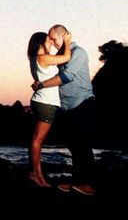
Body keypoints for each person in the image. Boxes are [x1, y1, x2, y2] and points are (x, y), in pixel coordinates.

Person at [32, 24, 96, 195]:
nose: (52, 42)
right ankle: (78, 182)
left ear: (64, 35)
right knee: (74, 145)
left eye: (53, 38)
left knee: (82, 145)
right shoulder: (62, 56)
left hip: (81, 103)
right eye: (49, 39)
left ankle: (88, 184)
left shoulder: (78, 52)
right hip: (67, 107)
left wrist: (42, 85)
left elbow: (67, 77)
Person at [26, 30, 72, 187]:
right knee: (37, 140)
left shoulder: (36, 58)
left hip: (43, 102)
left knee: (37, 140)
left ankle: (37, 175)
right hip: (45, 104)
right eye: (48, 41)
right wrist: (67, 40)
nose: (51, 43)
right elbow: (66, 57)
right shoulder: (43, 58)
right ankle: (35, 174)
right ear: (40, 43)